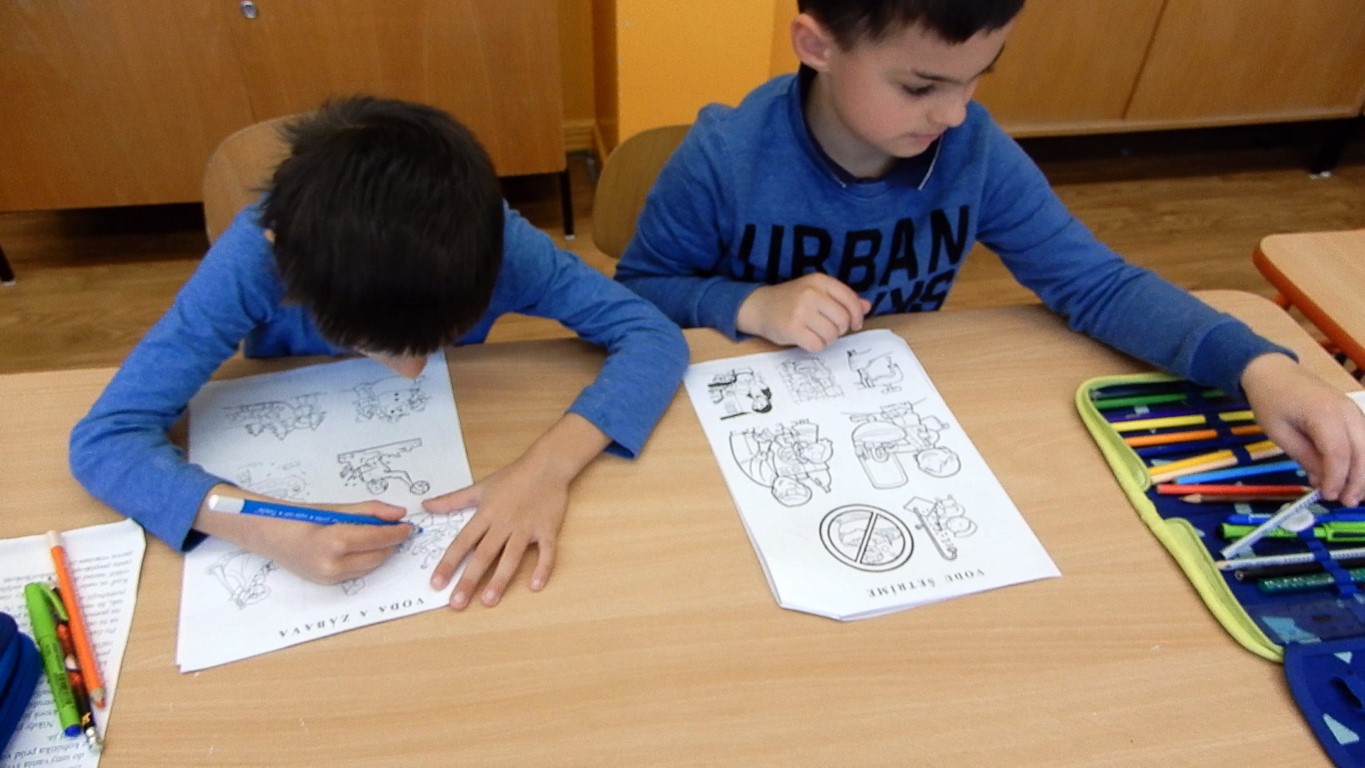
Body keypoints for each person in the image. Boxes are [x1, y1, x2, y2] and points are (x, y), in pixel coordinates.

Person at [614, 0, 1365, 505]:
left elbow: (1095, 284)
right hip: (739, 438)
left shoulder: (972, 151)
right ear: (817, 45)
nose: (954, 113)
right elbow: (641, 285)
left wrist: (1259, 366)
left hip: (890, 422)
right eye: (920, 86)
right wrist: (748, 303)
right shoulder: (724, 158)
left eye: (976, 78)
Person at [70, 96, 689, 608]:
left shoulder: (497, 242)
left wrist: (545, 469)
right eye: (377, 347)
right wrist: (262, 527)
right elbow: (105, 439)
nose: (414, 372)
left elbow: (652, 334)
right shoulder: (257, 260)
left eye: (436, 341)